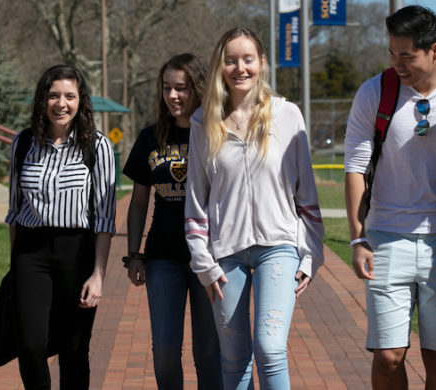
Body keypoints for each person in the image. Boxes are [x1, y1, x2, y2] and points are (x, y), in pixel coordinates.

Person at [184, 27, 325, 389]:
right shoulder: (203, 122)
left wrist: (311, 253)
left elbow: (306, 193)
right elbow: (197, 200)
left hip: (278, 247)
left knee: (270, 347)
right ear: (220, 66)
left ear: (261, 63)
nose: (239, 68)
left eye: (248, 59)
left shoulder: (287, 115)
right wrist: (204, 262)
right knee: (233, 358)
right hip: (225, 254)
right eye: (231, 60)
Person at [6, 64, 116, 390]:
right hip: (30, 252)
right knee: (29, 345)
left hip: (77, 252)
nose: (61, 103)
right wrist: (15, 266)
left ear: (81, 100)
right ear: (42, 99)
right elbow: (13, 212)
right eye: (53, 95)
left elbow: (105, 218)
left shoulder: (97, 146)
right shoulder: (23, 144)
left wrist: (98, 275)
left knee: (74, 349)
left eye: (69, 96)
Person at [344, 5, 436, 389]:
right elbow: (356, 166)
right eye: (392, 53)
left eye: (407, 55)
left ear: (434, 50)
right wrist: (357, 237)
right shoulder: (375, 92)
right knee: (388, 355)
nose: (397, 63)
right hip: (386, 237)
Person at [122, 53, 223, 390]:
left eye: (182, 88)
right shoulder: (151, 137)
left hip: (210, 257)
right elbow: (138, 203)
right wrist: (133, 253)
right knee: (165, 349)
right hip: (163, 256)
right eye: (166, 88)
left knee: (209, 352)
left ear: (199, 88)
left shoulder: (216, 133)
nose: (173, 96)